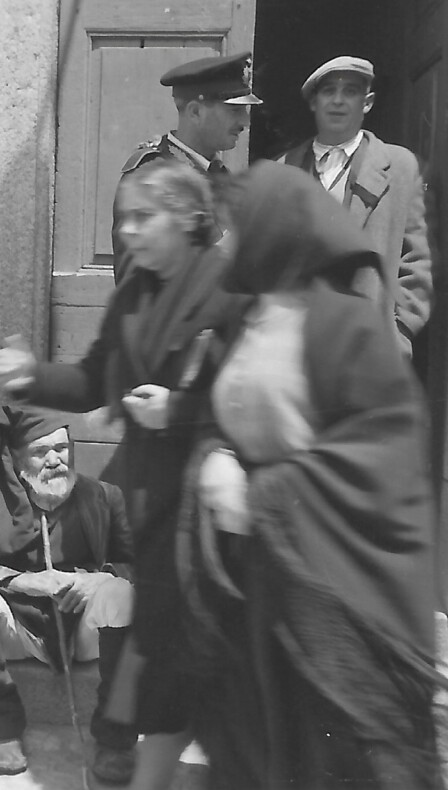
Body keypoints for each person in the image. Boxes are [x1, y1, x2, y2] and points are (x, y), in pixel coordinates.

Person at [176, 160, 444, 789]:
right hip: (256, 578)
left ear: (272, 230)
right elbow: (220, 408)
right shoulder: (246, 318)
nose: (225, 242)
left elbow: (381, 451)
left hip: (326, 584)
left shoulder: (346, 324)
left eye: (235, 228)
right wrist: (215, 453)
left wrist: (263, 493)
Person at [0, 159, 249, 790]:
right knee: (159, 641)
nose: (127, 232)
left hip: (220, 513)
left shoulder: (231, 288)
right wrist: (31, 377)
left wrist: (180, 411)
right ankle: (140, 753)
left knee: (217, 654)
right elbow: (95, 377)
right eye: (124, 217)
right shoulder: (134, 292)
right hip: (156, 505)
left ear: (188, 218)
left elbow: (258, 395)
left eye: (142, 217)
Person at [0, 405, 136, 781]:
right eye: (40, 451)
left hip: (85, 632)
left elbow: (138, 565)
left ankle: (114, 736)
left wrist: (101, 579)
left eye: (62, 449)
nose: (54, 460)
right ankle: (1, 721)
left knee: (121, 595)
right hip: (20, 632)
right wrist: (22, 581)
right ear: (16, 460)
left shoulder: (103, 497)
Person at [278, 56, 432, 356]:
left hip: (370, 348)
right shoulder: (284, 168)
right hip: (296, 348)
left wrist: (399, 332)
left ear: (368, 102)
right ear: (313, 102)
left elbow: (417, 260)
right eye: (328, 91)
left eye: (350, 91)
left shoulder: (398, 166)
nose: (338, 101)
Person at [113, 51, 262, 282]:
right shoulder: (150, 177)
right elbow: (136, 287)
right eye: (235, 110)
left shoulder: (221, 176)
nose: (245, 122)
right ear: (195, 112)